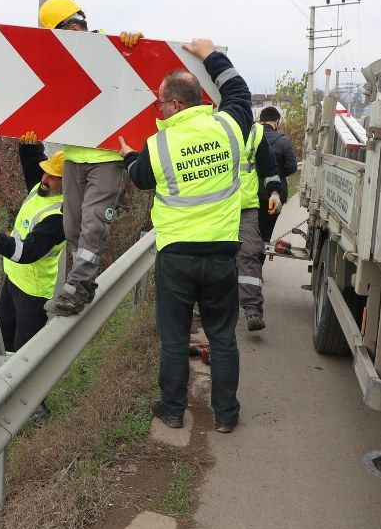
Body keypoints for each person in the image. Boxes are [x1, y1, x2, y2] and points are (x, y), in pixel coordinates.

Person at [117, 39, 279, 434]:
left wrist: (126, 155)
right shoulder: (228, 127)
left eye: (159, 103)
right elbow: (237, 91)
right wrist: (209, 54)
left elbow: (139, 178)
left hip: (176, 258)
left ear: (174, 105)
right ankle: (226, 415)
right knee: (222, 337)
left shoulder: (157, 145)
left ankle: (172, 410)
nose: (158, 109)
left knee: (173, 338)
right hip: (222, 255)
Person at [36, 0, 142, 316]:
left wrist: (130, 45)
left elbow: (132, 79)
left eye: (67, 30)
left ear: (76, 24)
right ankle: (85, 280)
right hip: (75, 155)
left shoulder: (108, 49)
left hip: (106, 156)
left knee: (93, 225)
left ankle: (76, 287)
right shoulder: (59, 61)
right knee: (72, 226)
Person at [0, 134, 66, 352]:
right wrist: (29, 145)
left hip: (33, 292)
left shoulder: (60, 217)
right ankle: (4, 383)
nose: (44, 179)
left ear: (67, 184)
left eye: (53, 176)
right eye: (46, 171)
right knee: (5, 340)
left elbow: (26, 252)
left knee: (24, 352)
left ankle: (24, 386)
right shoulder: (43, 187)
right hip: (14, 280)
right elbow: (32, 164)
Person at [236, 114, 284, 333]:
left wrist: (274, 192)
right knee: (210, 255)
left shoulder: (255, 133)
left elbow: (269, 168)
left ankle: (252, 310)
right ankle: (205, 306)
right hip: (214, 208)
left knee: (250, 253)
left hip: (245, 208)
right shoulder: (209, 126)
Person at [257, 106, 298, 244]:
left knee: (249, 232)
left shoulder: (250, 137)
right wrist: (278, 173)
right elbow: (292, 167)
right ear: (276, 121)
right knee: (265, 234)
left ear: (260, 121)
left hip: (251, 193)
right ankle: (258, 261)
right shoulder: (283, 141)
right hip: (274, 194)